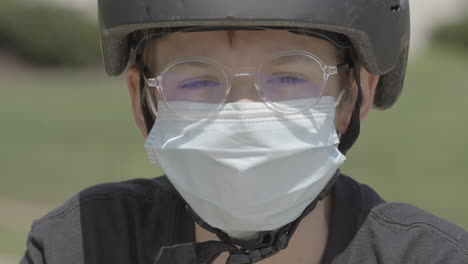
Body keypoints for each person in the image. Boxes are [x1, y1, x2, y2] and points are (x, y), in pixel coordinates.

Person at [20, 0, 468, 263]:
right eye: (196, 80)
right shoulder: (81, 246)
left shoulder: (431, 257)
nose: (242, 112)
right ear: (144, 104)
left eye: (290, 78)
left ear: (355, 96)